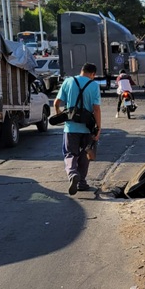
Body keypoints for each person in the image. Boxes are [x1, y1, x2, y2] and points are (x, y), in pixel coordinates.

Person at [55, 63, 102, 195]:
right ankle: (81, 183)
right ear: (93, 74)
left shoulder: (68, 81)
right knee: (85, 155)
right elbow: (96, 109)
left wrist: (59, 114)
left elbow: (56, 102)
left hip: (70, 127)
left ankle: (72, 174)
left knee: (70, 153)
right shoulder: (94, 85)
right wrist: (98, 128)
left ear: (81, 71)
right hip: (87, 127)